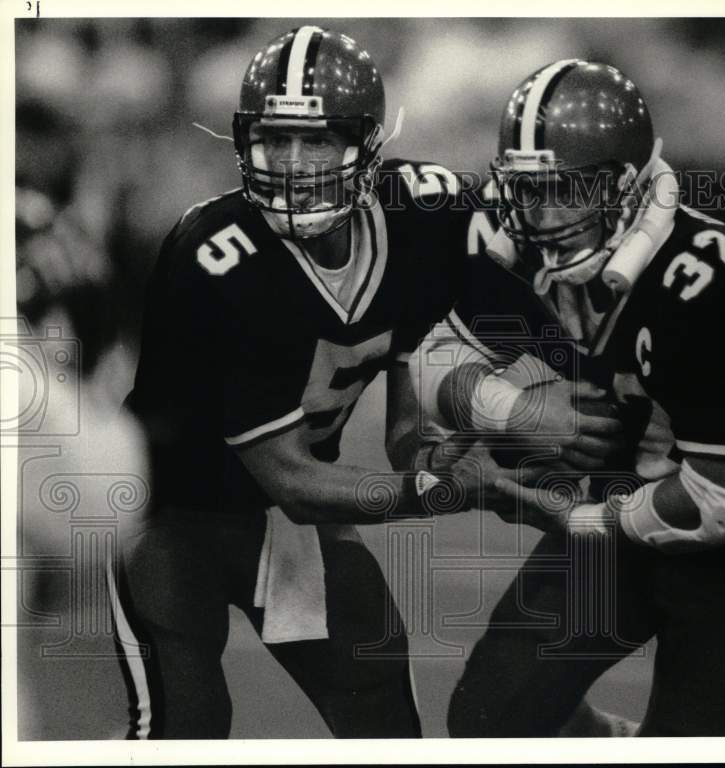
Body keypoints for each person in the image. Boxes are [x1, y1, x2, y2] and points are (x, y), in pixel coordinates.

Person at [413, 59, 725, 736]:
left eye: (566, 190)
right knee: (487, 718)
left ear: (626, 186)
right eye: (528, 191)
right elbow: (433, 359)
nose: (542, 215)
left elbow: (720, 502)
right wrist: (517, 412)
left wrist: (575, 515)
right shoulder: (518, 238)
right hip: (620, 514)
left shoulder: (713, 284)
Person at [114, 26, 513, 739]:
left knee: (381, 705)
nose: (294, 165)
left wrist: (431, 446)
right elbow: (291, 482)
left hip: (285, 517)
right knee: (187, 729)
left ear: (366, 142)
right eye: (276, 140)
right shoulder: (212, 256)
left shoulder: (427, 212)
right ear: (244, 142)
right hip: (173, 521)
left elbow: (406, 376)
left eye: (318, 139)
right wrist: (444, 489)